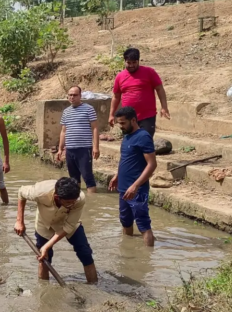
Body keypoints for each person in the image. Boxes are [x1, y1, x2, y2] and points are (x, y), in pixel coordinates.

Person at [14, 178, 97, 283]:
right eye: (68, 202)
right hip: (45, 222)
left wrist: (47, 246)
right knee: (44, 258)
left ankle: (94, 285)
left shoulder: (79, 199)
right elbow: (21, 192)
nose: (72, 204)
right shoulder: (40, 192)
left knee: (85, 252)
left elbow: (68, 227)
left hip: (67, 221)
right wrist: (19, 221)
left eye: (74, 202)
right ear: (57, 197)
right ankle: (44, 288)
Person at [108, 106, 158, 247]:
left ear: (134, 120)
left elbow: (152, 164)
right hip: (124, 188)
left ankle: (148, 255)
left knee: (143, 224)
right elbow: (126, 159)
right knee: (125, 221)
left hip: (137, 190)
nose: (121, 126)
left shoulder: (143, 137)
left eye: (123, 123)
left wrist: (135, 185)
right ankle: (128, 250)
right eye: (119, 123)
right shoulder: (127, 136)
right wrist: (117, 176)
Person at [109, 48, 169, 139]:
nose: (131, 65)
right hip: (128, 118)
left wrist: (164, 107)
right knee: (130, 143)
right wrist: (111, 115)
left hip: (147, 116)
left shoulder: (149, 72)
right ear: (125, 61)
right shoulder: (120, 77)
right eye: (129, 63)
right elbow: (116, 97)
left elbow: (159, 89)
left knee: (145, 141)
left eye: (134, 62)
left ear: (138, 61)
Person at [56, 86, 100, 193]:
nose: (72, 97)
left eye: (75, 95)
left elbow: (95, 128)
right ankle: (77, 199)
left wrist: (96, 147)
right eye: (70, 95)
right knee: (74, 179)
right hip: (70, 149)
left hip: (84, 149)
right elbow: (63, 131)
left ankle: (92, 200)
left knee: (88, 177)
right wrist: (60, 149)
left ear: (80, 96)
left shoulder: (88, 109)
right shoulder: (66, 112)